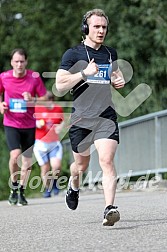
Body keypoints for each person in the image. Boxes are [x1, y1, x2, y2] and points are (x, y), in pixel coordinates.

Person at [56, 9, 125, 226]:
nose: (101, 31)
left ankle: (109, 209)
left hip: (105, 116)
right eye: (96, 26)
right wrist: (84, 73)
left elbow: (114, 75)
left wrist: (118, 79)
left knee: (106, 160)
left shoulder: (110, 53)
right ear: (86, 28)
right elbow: (59, 85)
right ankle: (74, 186)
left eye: (104, 27)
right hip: (81, 118)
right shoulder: (72, 54)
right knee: (80, 166)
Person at [0, 48, 47, 206]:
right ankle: (13, 185)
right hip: (11, 123)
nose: (19, 64)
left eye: (22, 61)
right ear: (11, 62)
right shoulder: (4, 77)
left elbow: (45, 99)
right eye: (16, 61)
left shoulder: (34, 78)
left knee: (26, 161)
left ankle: (21, 190)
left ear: (26, 62)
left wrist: (32, 99)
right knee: (15, 156)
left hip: (28, 124)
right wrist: (1, 105)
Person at [33, 91, 64, 198]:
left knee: (56, 167)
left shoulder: (58, 108)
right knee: (45, 169)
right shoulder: (37, 109)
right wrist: (36, 124)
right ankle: (47, 189)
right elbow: (31, 121)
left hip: (54, 143)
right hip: (41, 144)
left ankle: (55, 183)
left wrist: (60, 127)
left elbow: (62, 121)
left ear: (51, 100)